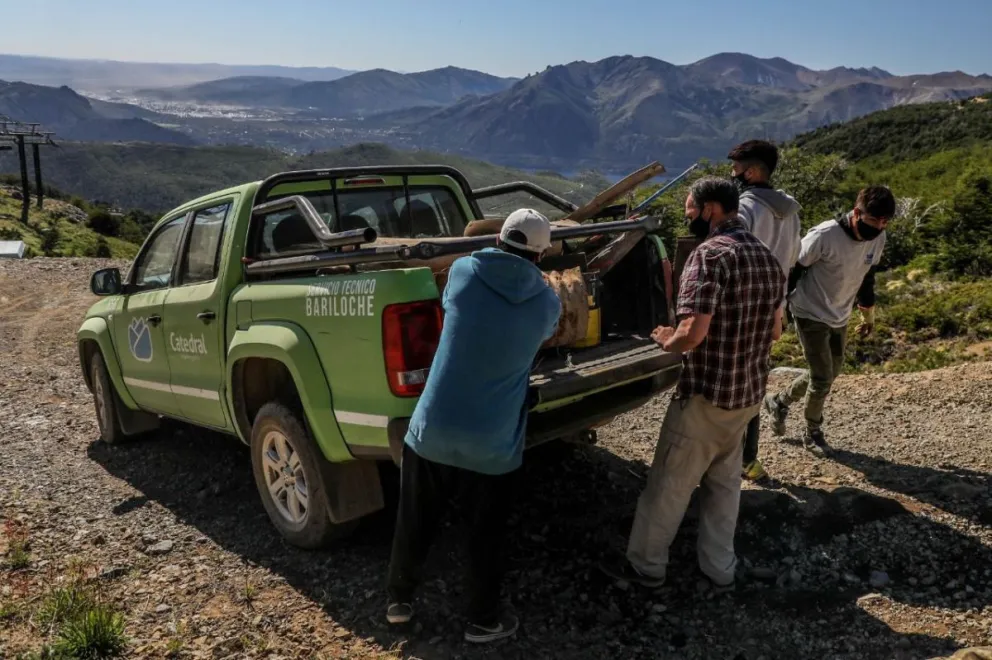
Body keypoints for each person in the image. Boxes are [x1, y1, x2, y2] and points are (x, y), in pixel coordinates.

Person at [385, 208, 561, 644]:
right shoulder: (547, 302)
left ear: (500, 239)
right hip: (493, 444)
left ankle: (399, 603)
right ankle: (483, 620)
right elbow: (542, 336)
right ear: (541, 255)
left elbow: (453, 304)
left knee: (414, 521)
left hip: (432, 431)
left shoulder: (463, 272)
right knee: (487, 535)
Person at [601, 177, 784, 591]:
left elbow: (692, 335)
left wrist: (666, 336)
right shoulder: (767, 256)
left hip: (705, 395)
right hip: (746, 395)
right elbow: (775, 332)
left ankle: (646, 568)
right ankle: (719, 568)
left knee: (668, 485)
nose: (687, 217)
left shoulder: (709, 256)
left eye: (689, 210)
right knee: (724, 487)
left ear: (710, 210)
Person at [764, 185, 894, 454]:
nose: (879, 227)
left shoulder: (878, 237)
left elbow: (867, 277)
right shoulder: (824, 235)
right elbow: (793, 270)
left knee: (829, 373)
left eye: (885, 222)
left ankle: (778, 401)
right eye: (873, 221)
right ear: (857, 213)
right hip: (809, 310)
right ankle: (812, 432)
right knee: (822, 378)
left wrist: (868, 315)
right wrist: (781, 309)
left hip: (841, 313)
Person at [727, 140, 802, 482]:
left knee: (729, 381)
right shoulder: (790, 211)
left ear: (752, 172)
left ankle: (729, 457)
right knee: (756, 381)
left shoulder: (746, 209)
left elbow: (733, 256)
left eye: (736, 170)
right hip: (772, 308)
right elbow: (793, 258)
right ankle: (749, 458)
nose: (733, 176)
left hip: (741, 307)